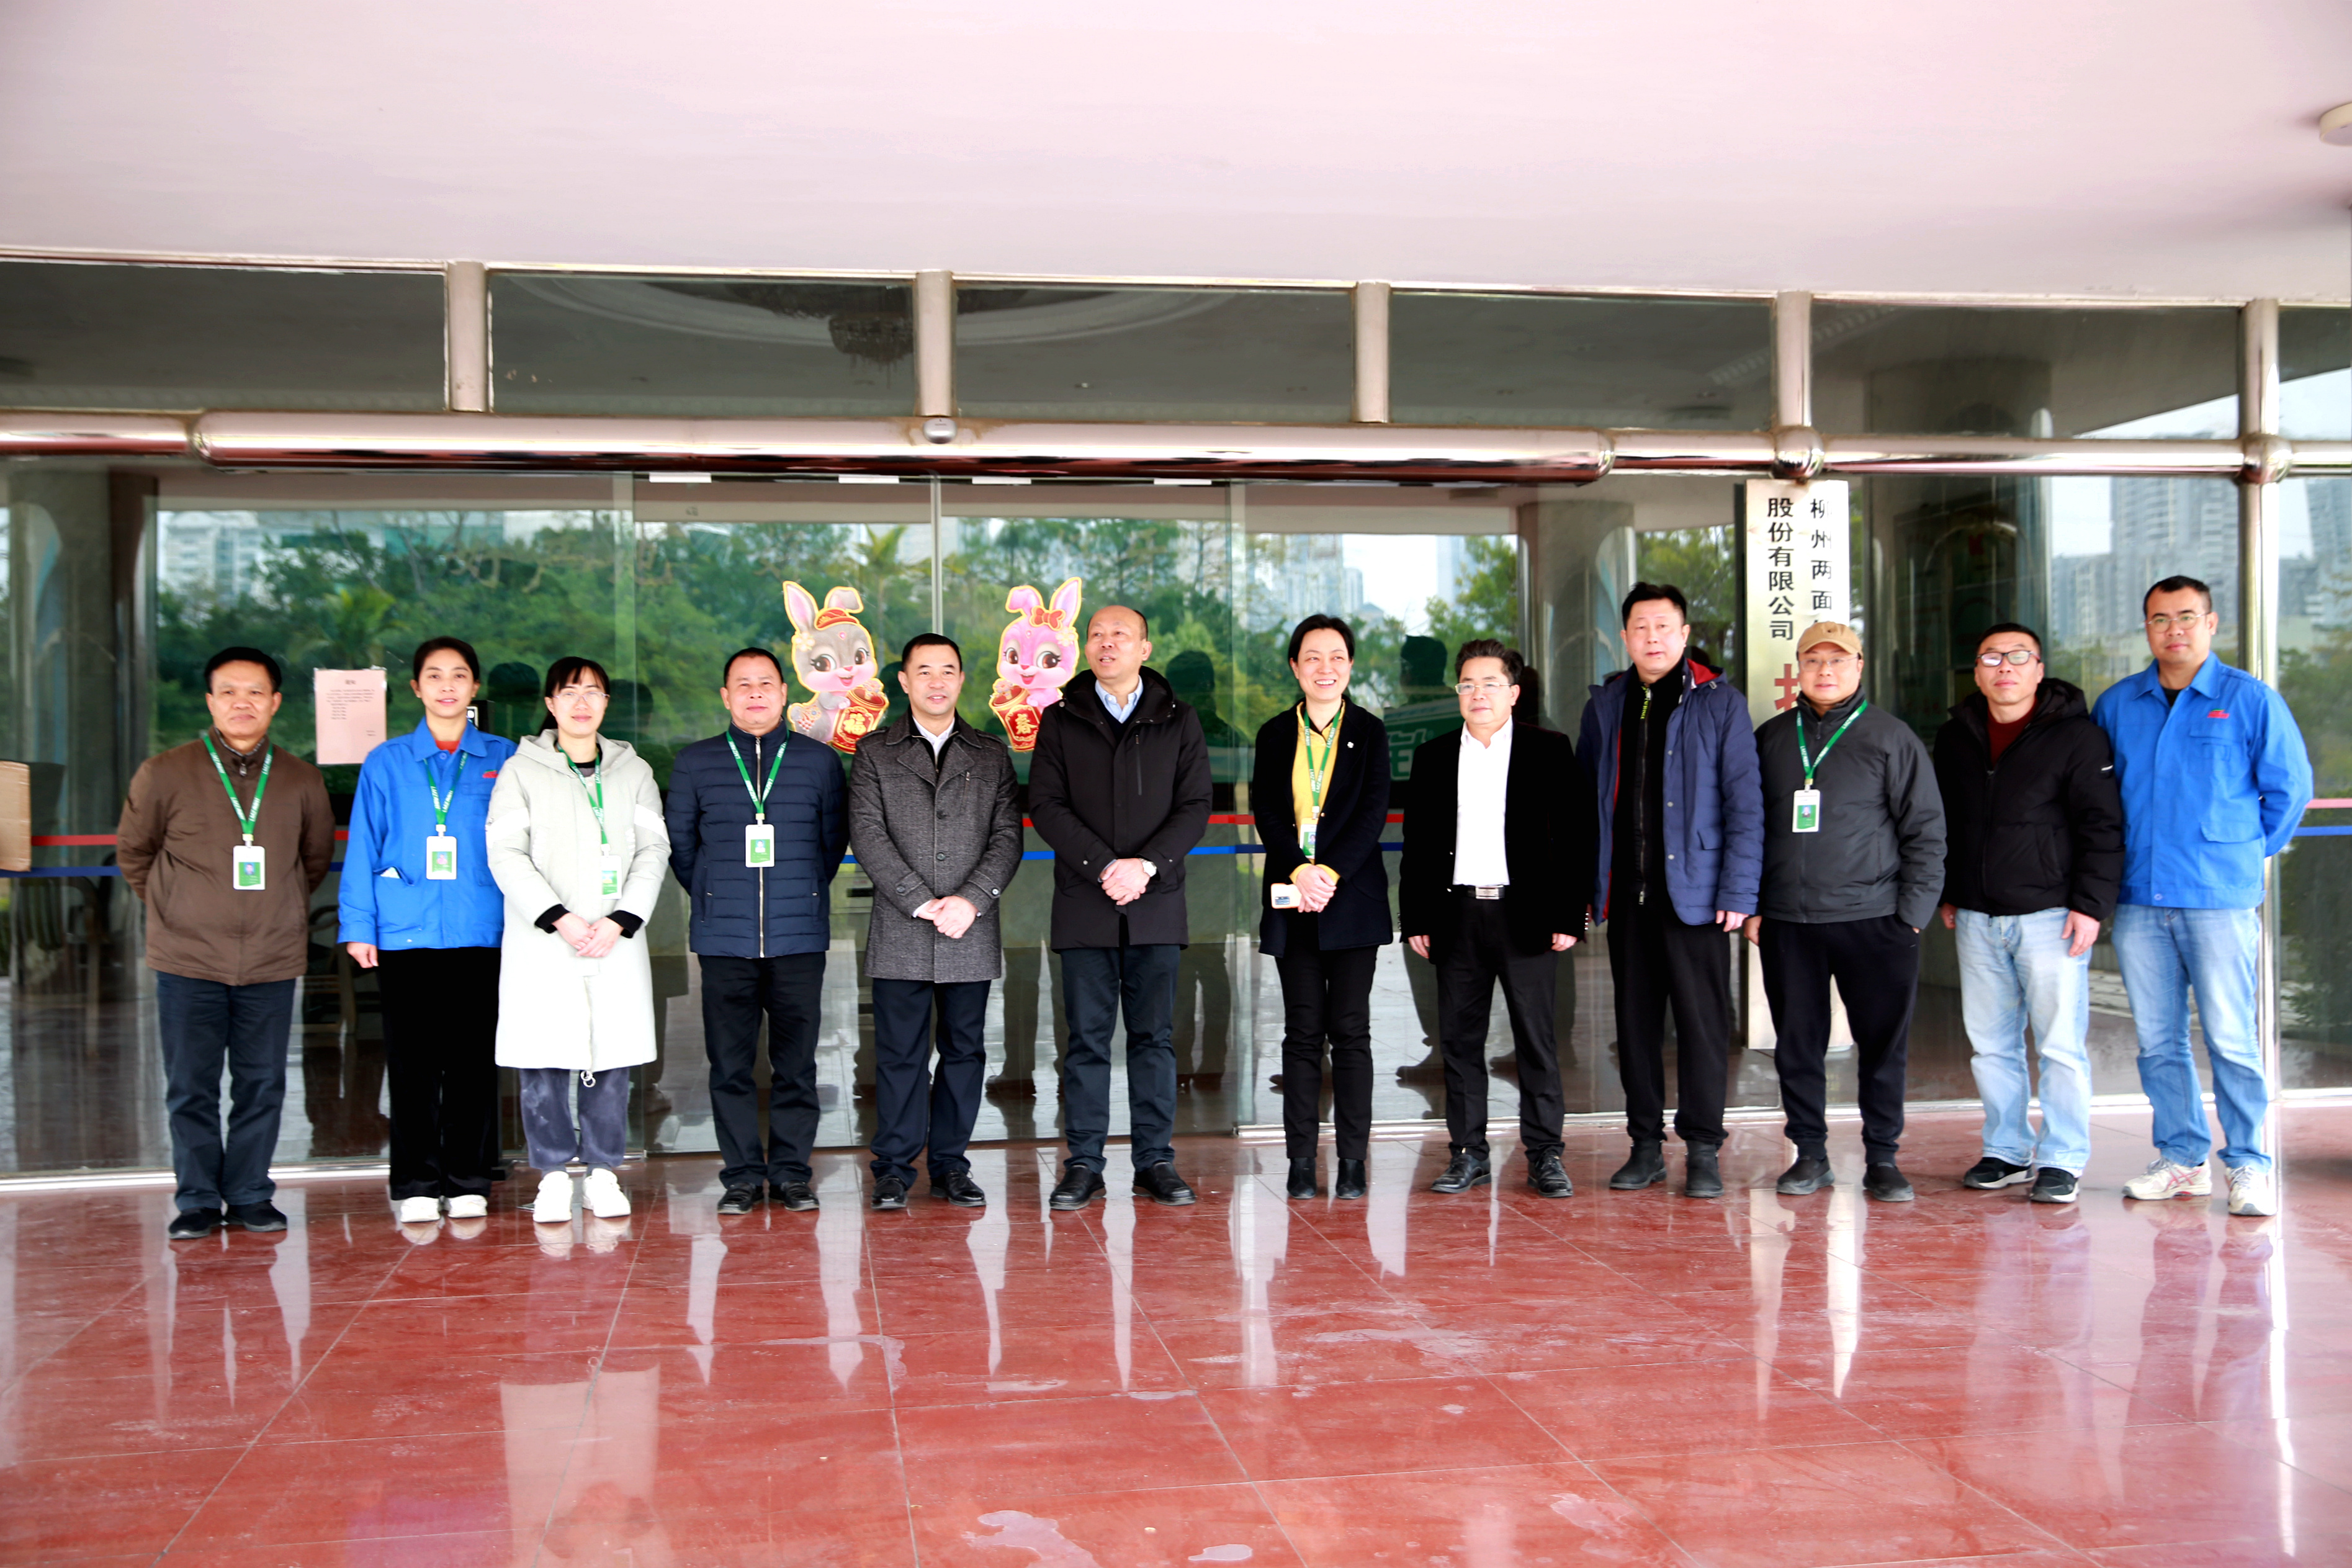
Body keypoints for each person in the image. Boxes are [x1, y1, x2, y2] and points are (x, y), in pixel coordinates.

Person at [2094, 575, 2312, 1217]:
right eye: (2160, 619)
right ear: (2147, 628)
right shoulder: (2118, 704)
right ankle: (2182, 1160)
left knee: (2230, 1038)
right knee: (2158, 1041)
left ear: (2211, 623)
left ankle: (2248, 1164)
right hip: (2139, 898)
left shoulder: (2249, 700)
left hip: (2217, 898)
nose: (2174, 630)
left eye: (2186, 616)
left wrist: (2240, 851)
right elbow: (2096, 797)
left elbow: (2289, 791)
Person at [119, 647, 335, 1240]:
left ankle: (248, 1193)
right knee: (190, 1085)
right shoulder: (165, 772)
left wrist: (276, 909)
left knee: (261, 1084)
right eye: (230, 692)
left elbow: (312, 859)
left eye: (256, 692)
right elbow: (134, 854)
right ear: (211, 701)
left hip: (270, 956)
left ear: (276, 702)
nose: (243, 703)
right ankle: (195, 1198)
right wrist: (178, 908)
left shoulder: (300, 778)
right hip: (188, 958)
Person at [1746, 622, 1946, 1203]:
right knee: (1797, 1046)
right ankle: (1809, 1154)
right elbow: (1748, 829)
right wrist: (1755, 906)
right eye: (1814, 660)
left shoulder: (1891, 737)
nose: (1825, 670)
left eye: (1838, 660)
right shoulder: (1772, 738)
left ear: (1859, 667)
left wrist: (1911, 915)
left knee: (1882, 1046)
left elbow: (1926, 831)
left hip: (1875, 919)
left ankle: (1883, 1157)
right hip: (1790, 923)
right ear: (1798, 669)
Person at [1578, 583, 1762, 1201]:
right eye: (1640, 627)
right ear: (1625, 636)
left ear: (1684, 635)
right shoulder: (1607, 704)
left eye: (1663, 626)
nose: (1652, 637)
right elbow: (1586, 806)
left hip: (1698, 898)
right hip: (1629, 897)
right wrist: (1588, 887)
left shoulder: (1720, 702)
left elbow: (1745, 803)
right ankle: (1645, 1147)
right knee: (1635, 1029)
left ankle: (1704, 1148)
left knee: (1702, 1027)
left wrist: (1739, 890)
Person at [1029, 605, 1213, 1209]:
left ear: (1144, 647)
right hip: (1086, 902)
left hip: (1156, 903)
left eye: (1120, 635)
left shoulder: (1178, 718)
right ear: (1085, 647)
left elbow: (1195, 805)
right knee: (1085, 1041)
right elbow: (1046, 804)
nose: (1107, 643)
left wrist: (1146, 865)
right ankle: (1084, 1162)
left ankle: (1155, 1159)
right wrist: (1106, 866)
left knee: (1154, 1038)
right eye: (1097, 635)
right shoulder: (1061, 718)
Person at [1934, 622, 2124, 1206]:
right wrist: (1948, 890)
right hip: (1977, 916)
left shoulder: (2077, 738)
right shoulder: (1957, 736)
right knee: (1991, 1044)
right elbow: (1944, 820)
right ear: (1977, 671)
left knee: (2060, 1045)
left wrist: (2090, 906)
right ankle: (2008, 1149)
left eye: (2019, 656)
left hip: (2052, 915)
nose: (2005, 667)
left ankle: (2063, 1157)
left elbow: (2102, 826)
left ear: (2039, 669)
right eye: (1992, 657)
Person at [1399, 638, 1593, 1198]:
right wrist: (1416, 916)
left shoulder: (1549, 749)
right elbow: (1418, 845)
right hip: (1456, 914)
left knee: (1536, 1040)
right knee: (1459, 1042)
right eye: (1467, 684)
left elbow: (1577, 839)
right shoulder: (1434, 756)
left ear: (1513, 692)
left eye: (1490, 683)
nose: (1477, 693)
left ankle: (1545, 1154)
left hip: (1526, 915)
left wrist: (1569, 915)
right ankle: (1467, 1153)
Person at [340, 635, 519, 1225]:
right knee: (412, 1064)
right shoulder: (387, 762)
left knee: (472, 1064)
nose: (447, 685)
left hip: (481, 929)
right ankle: (416, 1180)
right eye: (435, 676)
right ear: (416, 688)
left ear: (475, 688)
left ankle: (467, 1177)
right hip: (405, 932)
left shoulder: (504, 757)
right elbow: (364, 845)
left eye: (459, 675)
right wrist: (359, 926)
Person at [487, 657, 671, 1224]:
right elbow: (505, 853)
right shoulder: (521, 771)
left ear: (607, 703)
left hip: (615, 936)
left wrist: (622, 918)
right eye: (569, 692)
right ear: (550, 704)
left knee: (611, 1059)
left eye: (593, 691)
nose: (582, 702)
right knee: (542, 1058)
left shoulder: (633, 771)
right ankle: (550, 1175)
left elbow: (653, 849)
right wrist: (557, 917)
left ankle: (603, 1172)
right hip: (547, 938)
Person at [665, 648, 847, 1214]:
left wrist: (802, 892)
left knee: (797, 1066)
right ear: (726, 696)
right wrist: (715, 894)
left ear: (785, 692)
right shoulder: (696, 763)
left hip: (798, 938)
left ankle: (791, 1173)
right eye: (742, 685)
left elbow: (831, 844)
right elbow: (682, 846)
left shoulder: (819, 761)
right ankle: (742, 1175)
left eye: (766, 683)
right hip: (725, 940)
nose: (755, 693)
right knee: (730, 1066)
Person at [847, 633, 1023, 1209]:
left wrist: (970, 900)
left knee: (964, 1051)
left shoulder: (991, 753)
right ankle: (894, 1169)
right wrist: (922, 901)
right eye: (924, 671)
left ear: (962, 679)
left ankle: (950, 1164)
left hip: (970, 926)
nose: (937, 681)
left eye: (948, 670)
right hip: (903, 926)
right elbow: (867, 834)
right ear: (904, 681)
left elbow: (1007, 836)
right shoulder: (875, 752)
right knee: (899, 1054)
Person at [1252, 614, 1393, 1201]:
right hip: (1294, 899)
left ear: (1351, 666)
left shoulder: (1370, 730)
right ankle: (1301, 1160)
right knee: (1303, 1031)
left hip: (1350, 899)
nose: (1325, 668)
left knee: (1351, 1031)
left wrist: (1328, 873)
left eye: (1336, 657)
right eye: (1312, 657)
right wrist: (1301, 870)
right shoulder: (1274, 733)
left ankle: (1354, 1160)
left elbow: (1372, 812)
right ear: (1295, 667)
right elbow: (1266, 810)